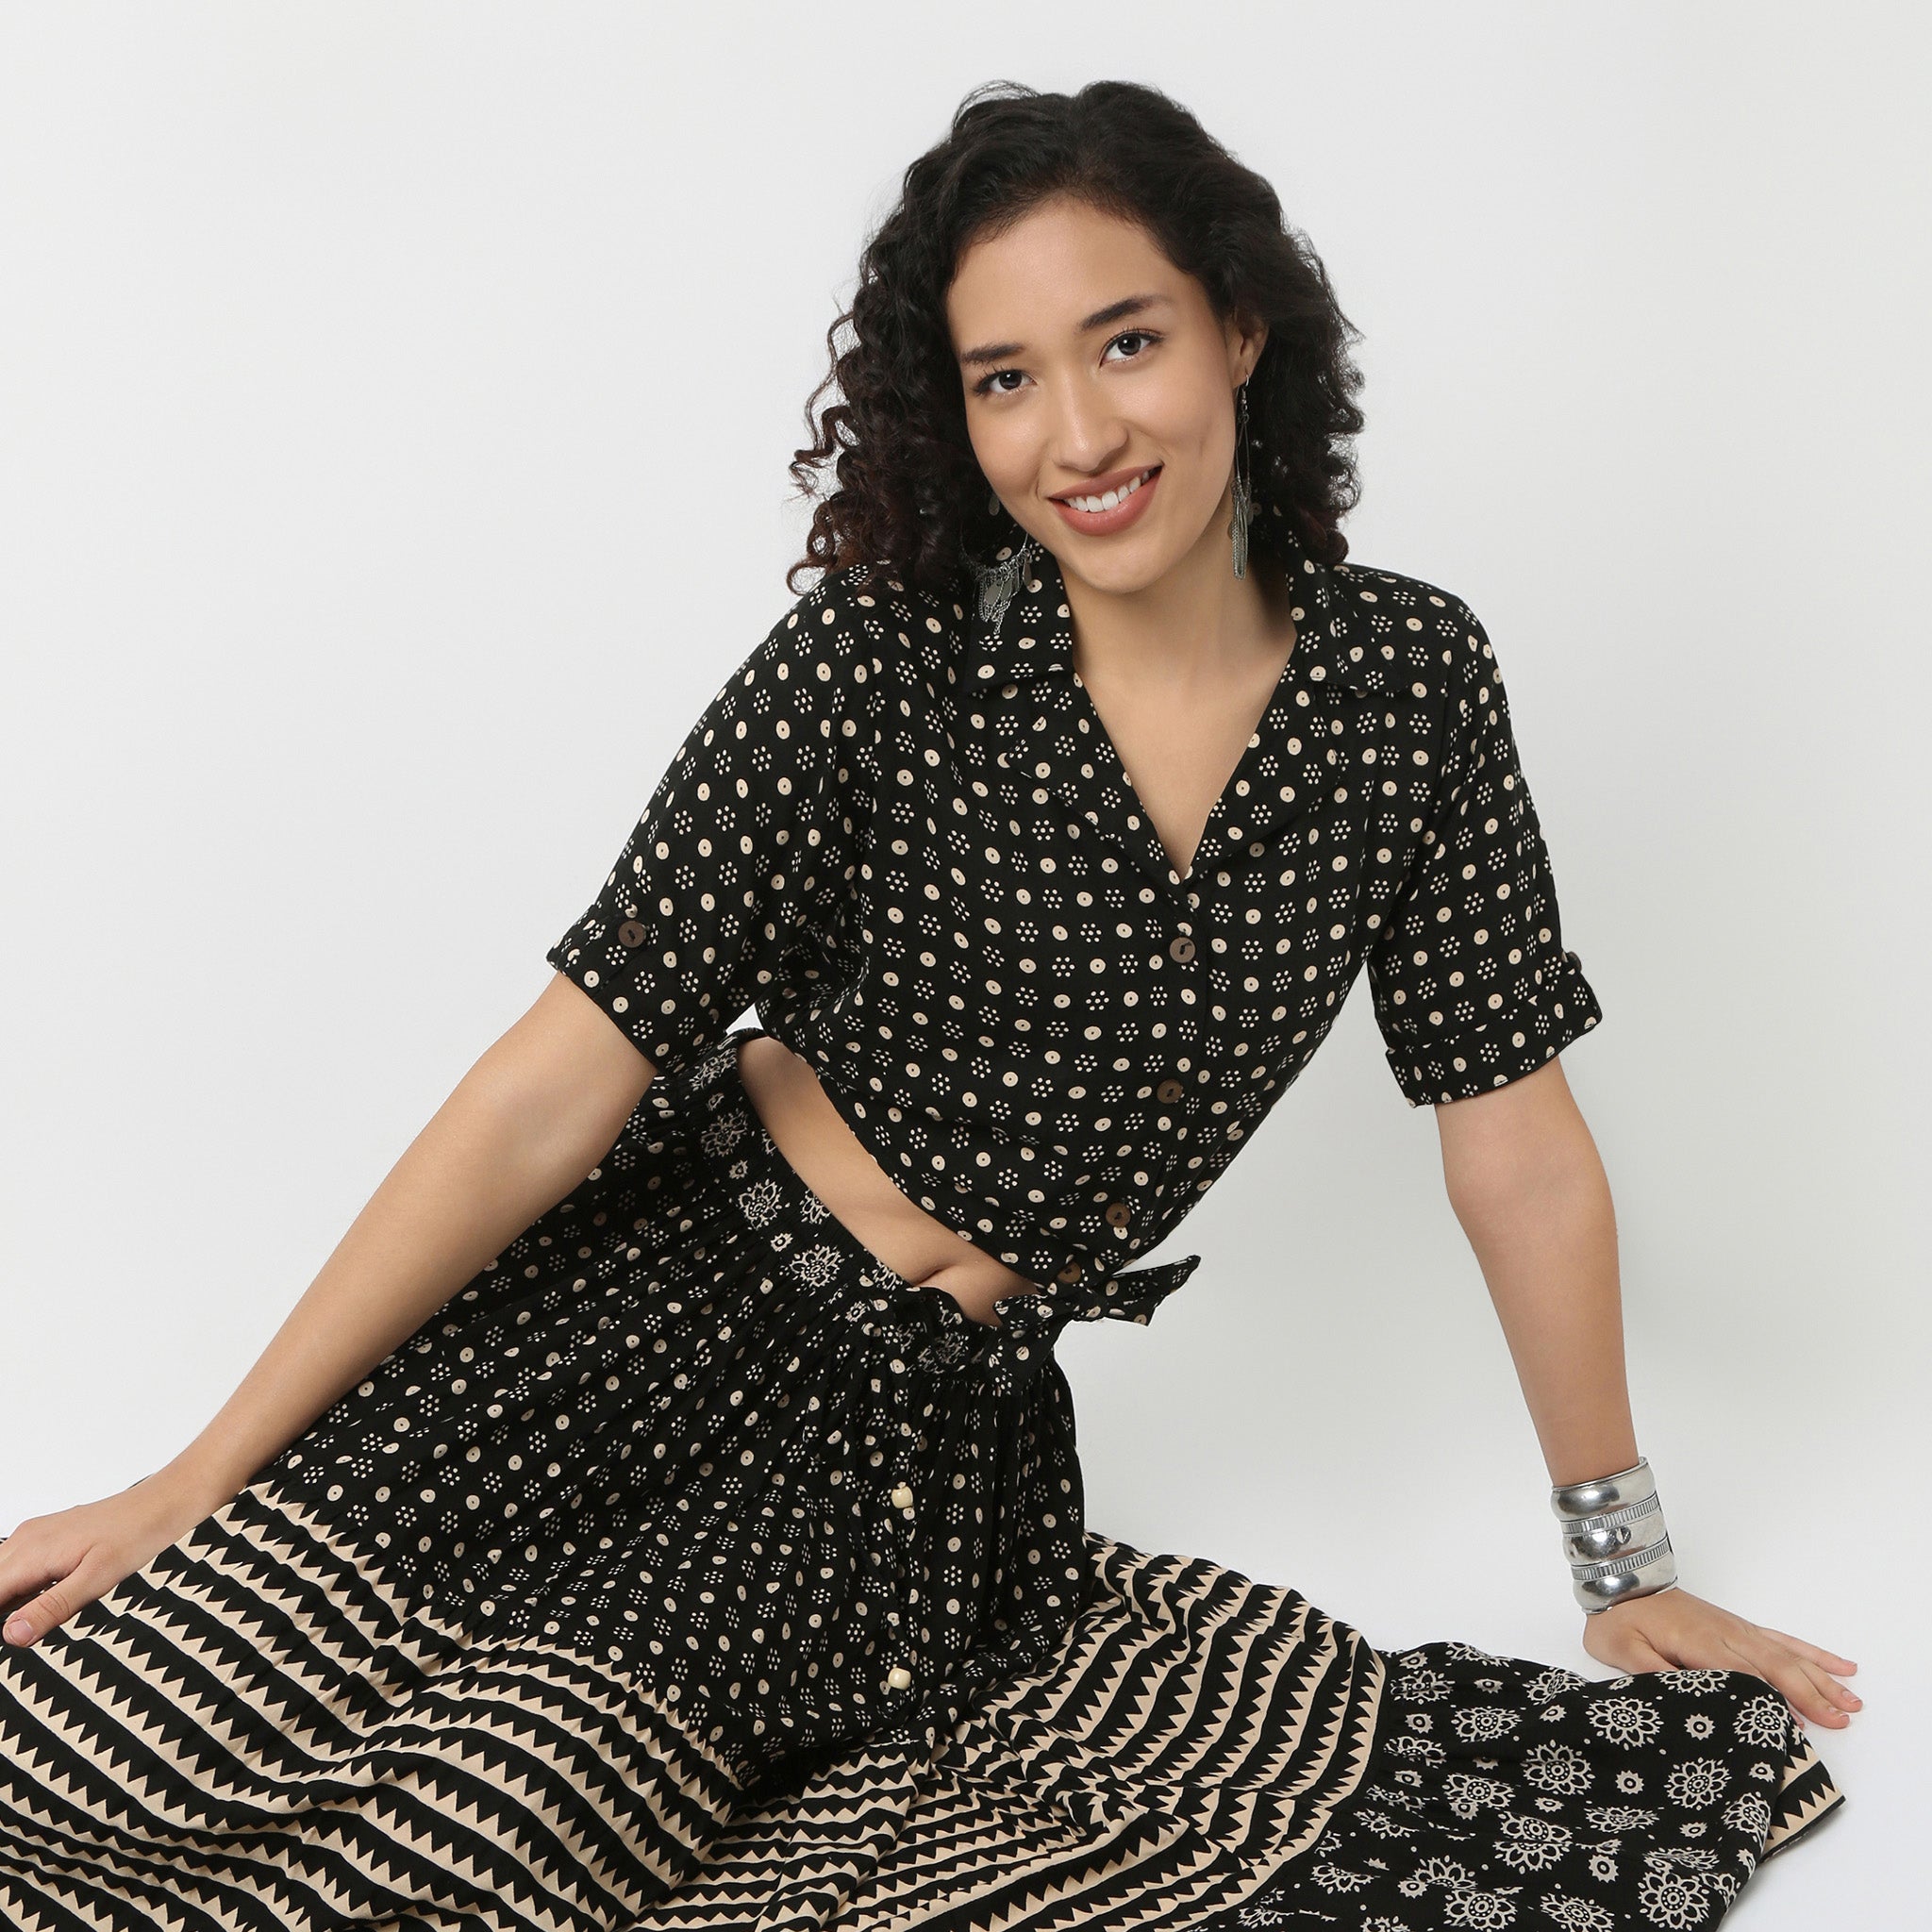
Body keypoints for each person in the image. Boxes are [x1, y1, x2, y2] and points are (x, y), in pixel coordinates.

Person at [0, 77, 1851, 1932]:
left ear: (1239, 328)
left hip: (920, 1475)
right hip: (619, 1347)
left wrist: (1622, 1566)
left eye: (1125, 341)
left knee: (491, 1838)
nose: (1079, 434)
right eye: (1004, 378)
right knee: (103, 1743)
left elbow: (1514, 1141)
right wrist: (192, 1477)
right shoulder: (880, 660)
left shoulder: (1407, 690)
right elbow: (550, 1086)